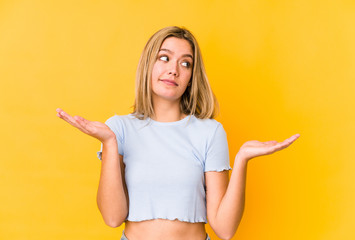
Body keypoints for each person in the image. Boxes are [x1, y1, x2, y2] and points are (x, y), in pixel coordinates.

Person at [56, 26, 300, 240]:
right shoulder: (119, 128)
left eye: (185, 63)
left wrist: (242, 158)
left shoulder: (210, 132)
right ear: (148, 65)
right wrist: (109, 142)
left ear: (191, 78)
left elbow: (225, 229)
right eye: (164, 58)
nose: (174, 70)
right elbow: (112, 217)